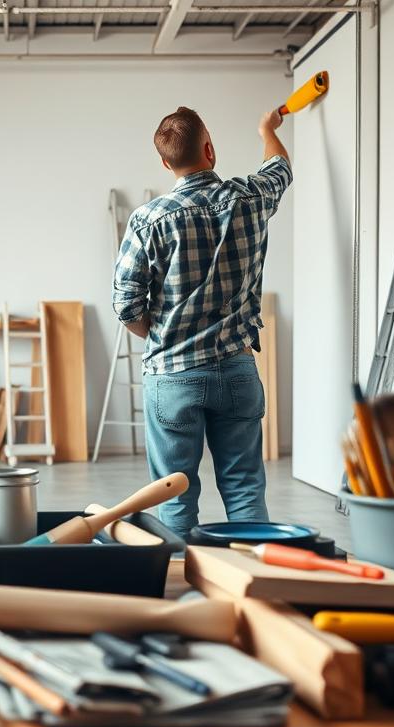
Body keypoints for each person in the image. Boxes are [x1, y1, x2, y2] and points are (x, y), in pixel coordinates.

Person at [112, 105, 291, 537]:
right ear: (209, 149)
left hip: (171, 377)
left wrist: (160, 334)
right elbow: (280, 166)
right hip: (237, 370)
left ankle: (180, 583)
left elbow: (126, 305)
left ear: (165, 162)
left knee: (174, 495)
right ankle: (252, 582)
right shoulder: (249, 198)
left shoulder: (147, 219)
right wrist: (266, 127)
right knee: (245, 487)